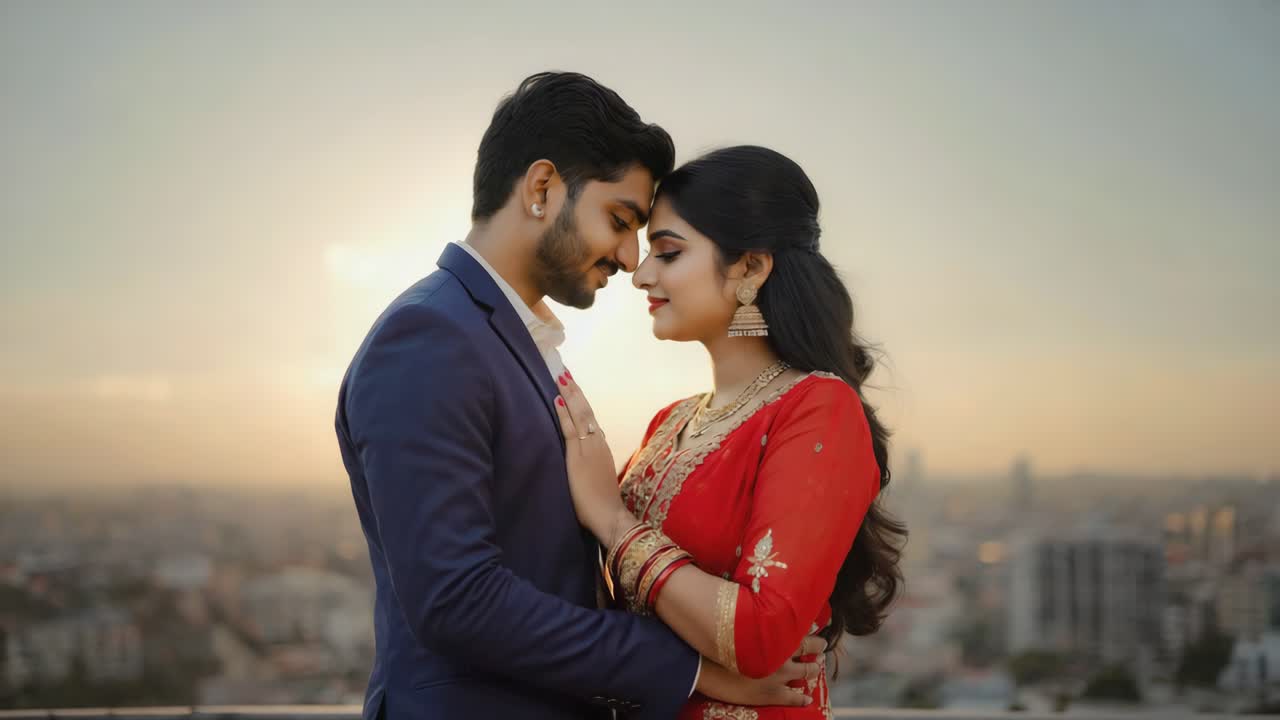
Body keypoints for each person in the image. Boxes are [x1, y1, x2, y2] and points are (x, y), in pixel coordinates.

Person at [335, 76, 820, 720]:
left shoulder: (503, 337)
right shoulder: (429, 337)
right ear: (541, 189)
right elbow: (457, 599)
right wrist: (694, 668)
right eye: (619, 221)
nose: (628, 257)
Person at [554, 145, 908, 719]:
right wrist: (703, 676)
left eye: (668, 253)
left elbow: (761, 637)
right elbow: (608, 617)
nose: (641, 274)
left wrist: (614, 521)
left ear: (750, 267)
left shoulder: (817, 408)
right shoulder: (668, 424)